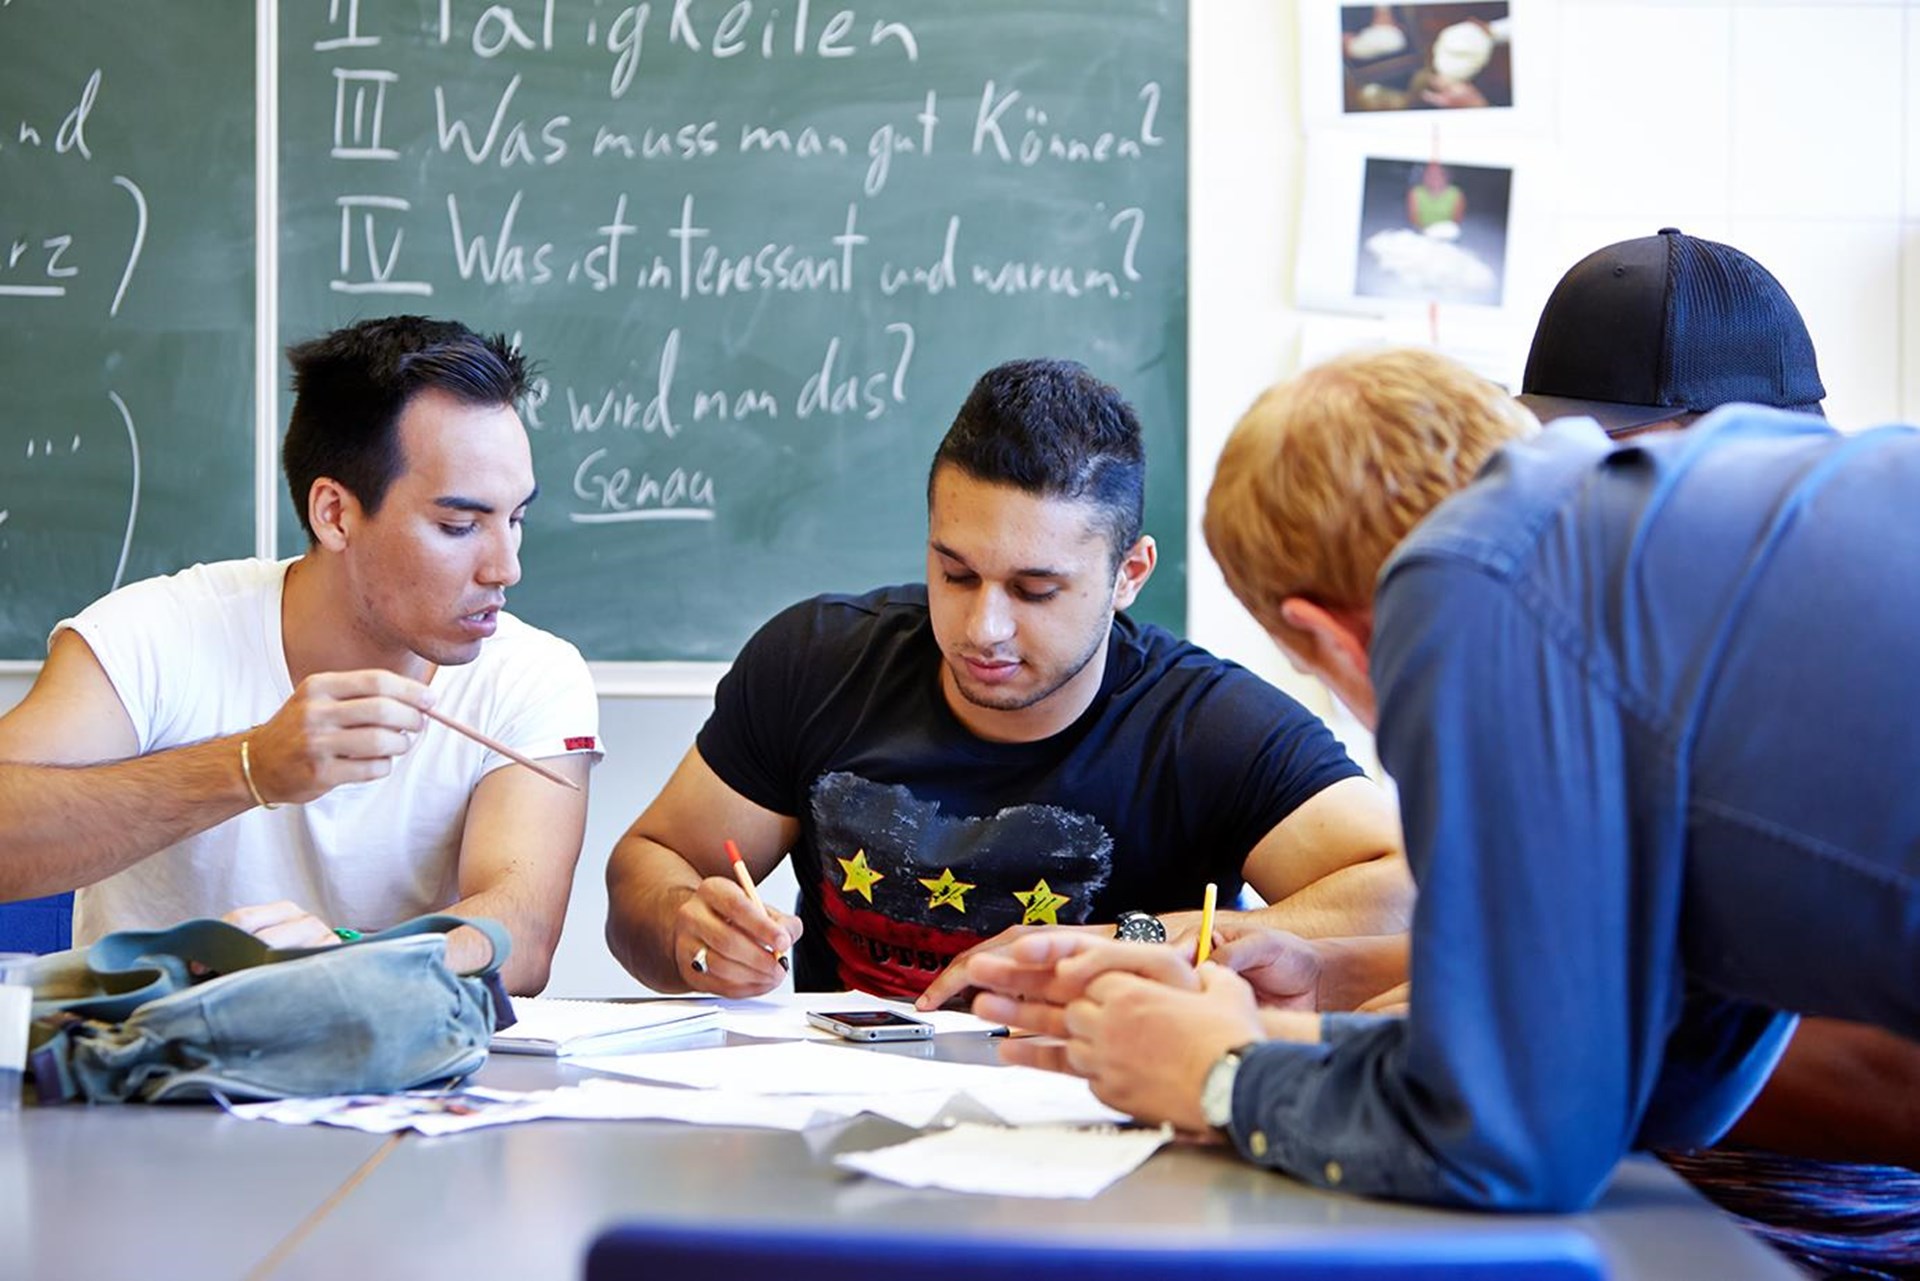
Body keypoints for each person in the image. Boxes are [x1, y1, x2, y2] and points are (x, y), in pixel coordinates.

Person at [964, 342, 1920, 1214]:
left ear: (1333, 638)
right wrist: (1306, 1025)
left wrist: (1221, 1075)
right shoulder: (1663, 537)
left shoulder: (1476, 580)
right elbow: (1662, 1082)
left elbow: (1515, 1144)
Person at [603, 358, 1410, 1007]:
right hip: (837, 1133)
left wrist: (1137, 940)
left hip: (1101, 1128)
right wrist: (687, 927)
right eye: (954, 573)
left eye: (1034, 589)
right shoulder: (815, 661)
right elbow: (649, 860)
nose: (982, 626)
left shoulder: (1206, 723)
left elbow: (1408, 889)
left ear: (1129, 573)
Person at [0, 315, 600, 993]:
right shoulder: (155, 633)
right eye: (459, 525)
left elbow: (521, 936)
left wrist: (340, 953)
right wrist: (249, 767)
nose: (506, 567)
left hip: (412, 1085)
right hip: (151, 1077)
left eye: (515, 517)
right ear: (335, 514)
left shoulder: (533, 674)